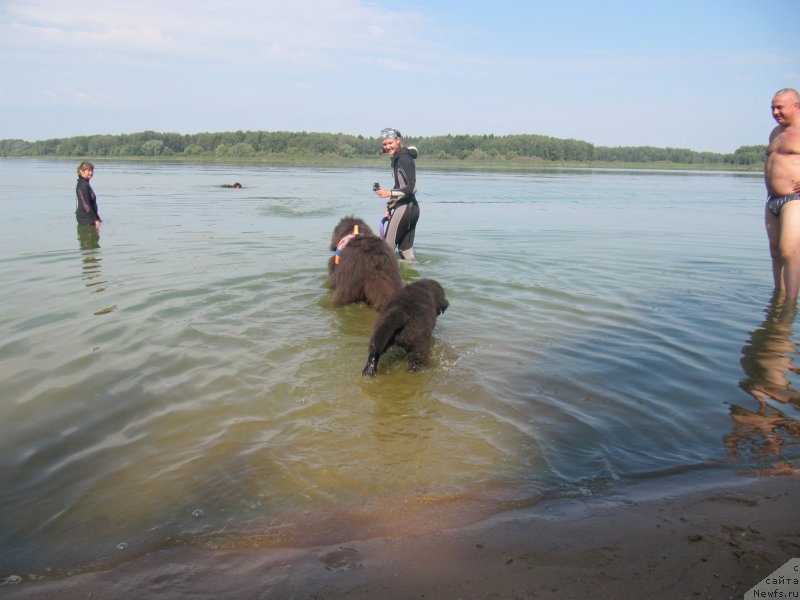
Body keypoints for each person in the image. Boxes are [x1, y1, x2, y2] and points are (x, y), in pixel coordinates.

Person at [764, 88, 800, 300]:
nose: (775, 112)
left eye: (780, 107)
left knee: (788, 251)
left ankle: (790, 303)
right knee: (776, 252)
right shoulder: (775, 133)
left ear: (796, 106)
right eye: (772, 108)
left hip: (794, 200)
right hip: (772, 200)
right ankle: (780, 296)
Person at [374, 128, 420, 261]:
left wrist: (389, 192)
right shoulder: (400, 157)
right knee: (406, 253)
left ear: (397, 140)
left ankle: (383, 280)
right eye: (385, 144)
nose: (387, 147)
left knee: (386, 251)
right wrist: (389, 208)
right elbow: (399, 186)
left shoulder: (403, 159)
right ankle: (414, 280)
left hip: (405, 209)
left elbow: (412, 188)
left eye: (390, 143)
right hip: (412, 209)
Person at [75, 161, 101, 230]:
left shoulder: (85, 183)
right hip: (86, 219)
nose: (91, 173)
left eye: (92, 170)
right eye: (88, 170)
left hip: (89, 218)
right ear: (81, 171)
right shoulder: (83, 185)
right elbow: (86, 205)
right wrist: (95, 220)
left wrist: (97, 217)